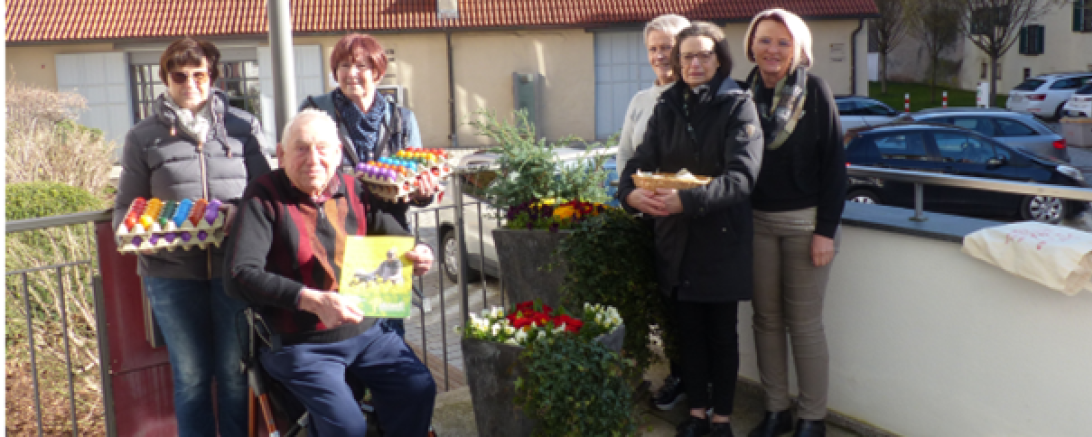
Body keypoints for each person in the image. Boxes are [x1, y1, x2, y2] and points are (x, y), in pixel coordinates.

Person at [225, 109, 437, 437]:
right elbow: (239, 274)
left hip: (368, 333)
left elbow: (397, 238)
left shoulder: (357, 190)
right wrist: (310, 299)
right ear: (281, 154)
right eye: (301, 148)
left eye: (323, 148)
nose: (313, 158)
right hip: (300, 343)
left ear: (338, 153)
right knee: (347, 427)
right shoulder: (264, 195)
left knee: (419, 387)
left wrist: (420, 252)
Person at [112, 37, 272, 437]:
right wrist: (127, 233)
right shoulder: (144, 136)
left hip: (234, 271)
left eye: (199, 74)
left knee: (236, 374)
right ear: (166, 78)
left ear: (212, 77)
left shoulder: (242, 127)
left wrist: (243, 212)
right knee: (192, 377)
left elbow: (267, 192)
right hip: (171, 274)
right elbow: (127, 204)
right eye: (179, 76)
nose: (190, 84)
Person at [618, 21, 764, 437]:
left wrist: (686, 200)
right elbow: (637, 165)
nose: (694, 63)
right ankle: (697, 413)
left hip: (720, 240)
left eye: (703, 55)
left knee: (721, 334)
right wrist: (629, 194)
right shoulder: (667, 106)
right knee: (688, 335)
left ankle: (722, 419)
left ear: (719, 59)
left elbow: (742, 178)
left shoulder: (738, 104)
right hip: (675, 241)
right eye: (687, 56)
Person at [741, 8, 847, 437]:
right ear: (751, 44)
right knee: (765, 320)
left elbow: (835, 167)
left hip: (806, 224)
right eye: (765, 40)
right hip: (756, 222)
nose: (773, 50)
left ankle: (812, 418)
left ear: (798, 50)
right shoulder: (740, 96)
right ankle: (775, 410)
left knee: (804, 324)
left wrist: (825, 231)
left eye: (784, 43)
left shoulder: (815, 92)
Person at [614, 13, 694, 413]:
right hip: (648, 218)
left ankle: (698, 384)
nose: (661, 56)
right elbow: (625, 157)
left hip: (691, 220)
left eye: (668, 47)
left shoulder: (697, 98)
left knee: (691, 306)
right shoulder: (640, 101)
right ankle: (679, 376)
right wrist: (632, 197)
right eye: (654, 48)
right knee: (664, 305)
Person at [301, 33, 438, 228]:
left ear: (378, 74)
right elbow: (298, 171)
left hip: (389, 225)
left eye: (361, 66)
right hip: (332, 228)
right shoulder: (315, 111)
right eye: (344, 66)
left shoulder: (402, 120)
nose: (351, 73)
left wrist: (423, 193)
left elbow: (415, 181)